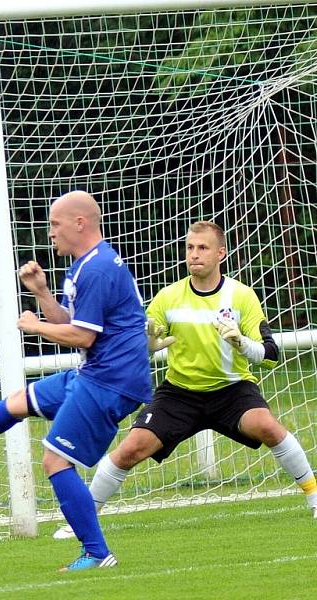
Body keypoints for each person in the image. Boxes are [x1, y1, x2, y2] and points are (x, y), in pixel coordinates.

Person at [0, 190, 151, 572]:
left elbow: (84, 337)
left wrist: (34, 326)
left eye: (55, 224)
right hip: (96, 372)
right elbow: (73, 324)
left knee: (55, 460)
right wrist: (40, 293)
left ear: (80, 223)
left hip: (110, 380)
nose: (50, 232)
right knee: (17, 402)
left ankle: (97, 553)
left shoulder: (99, 268)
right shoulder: (83, 266)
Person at [53, 220, 317, 540]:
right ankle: (81, 521)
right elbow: (140, 349)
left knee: (269, 427)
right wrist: (149, 344)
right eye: (190, 248)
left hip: (232, 389)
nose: (194, 254)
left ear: (221, 253)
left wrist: (241, 343)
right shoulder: (169, 297)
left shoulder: (242, 296)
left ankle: (314, 497)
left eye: (202, 248)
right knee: (130, 450)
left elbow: (270, 352)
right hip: (179, 393)